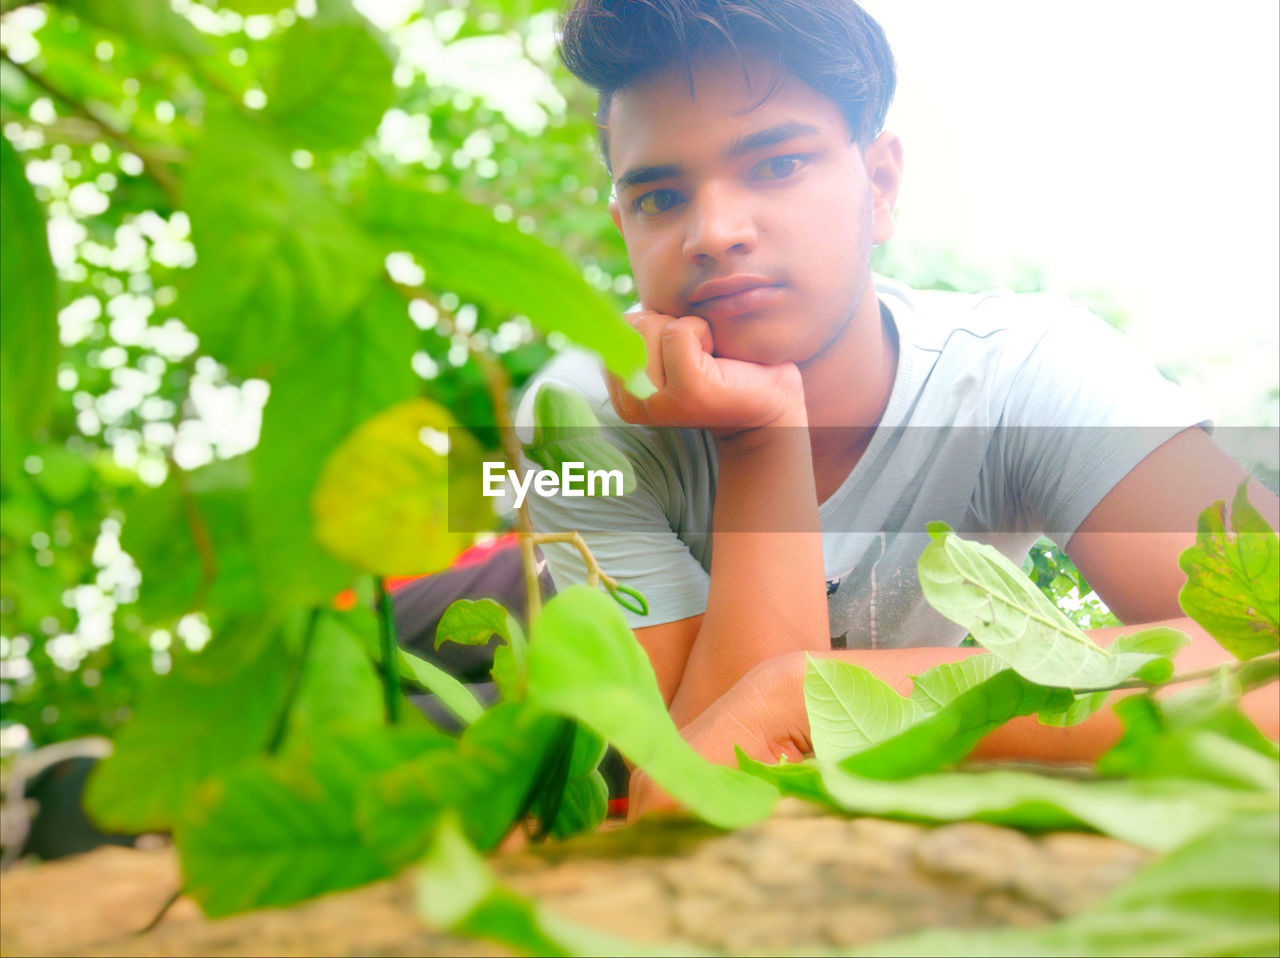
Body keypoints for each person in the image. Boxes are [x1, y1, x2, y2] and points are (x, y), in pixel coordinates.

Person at [518, 0, 1279, 813]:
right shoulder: (576, 420)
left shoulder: (1026, 372)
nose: (714, 230)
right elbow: (705, 788)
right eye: (660, 198)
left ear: (879, 186)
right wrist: (762, 435)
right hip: (510, 644)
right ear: (622, 225)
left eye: (776, 165)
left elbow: (1262, 653)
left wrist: (853, 696)